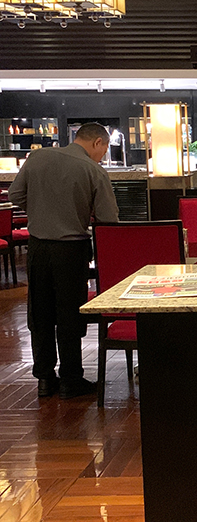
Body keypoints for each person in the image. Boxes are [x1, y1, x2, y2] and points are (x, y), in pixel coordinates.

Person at [9, 122, 119, 399]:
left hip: (37, 247)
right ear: (97, 143)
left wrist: (41, 210)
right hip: (71, 249)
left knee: (40, 313)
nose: (103, 156)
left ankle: (45, 378)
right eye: (104, 149)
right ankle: (71, 379)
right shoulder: (93, 170)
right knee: (69, 314)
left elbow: (15, 195)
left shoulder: (37, 158)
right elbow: (108, 219)